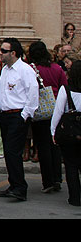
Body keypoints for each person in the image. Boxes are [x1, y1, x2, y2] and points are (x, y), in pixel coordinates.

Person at [0, 37, 39, 202]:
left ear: (13, 53)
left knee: (13, 152)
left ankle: (20, 187)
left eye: (4, 51)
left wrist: (24, 115)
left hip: (17, 115)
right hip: (5, 114)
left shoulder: (25, 70)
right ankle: (14, 184)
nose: (1, 53)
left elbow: (33, 92)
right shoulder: (6, 69)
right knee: (9, 152)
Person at [28, 40, 67, 193]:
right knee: (54, 145)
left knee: (42, 146)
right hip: (56, 109)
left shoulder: (32, 69)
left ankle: (48, 180)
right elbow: (64, 87)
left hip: (40, 111)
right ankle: (57, 178)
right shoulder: (57, 68)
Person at [51, 60, 81, 206]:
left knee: (71, 165)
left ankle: (74, 197)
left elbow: (58, 112)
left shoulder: (66, 89)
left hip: (69, 132)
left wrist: (53, 131)